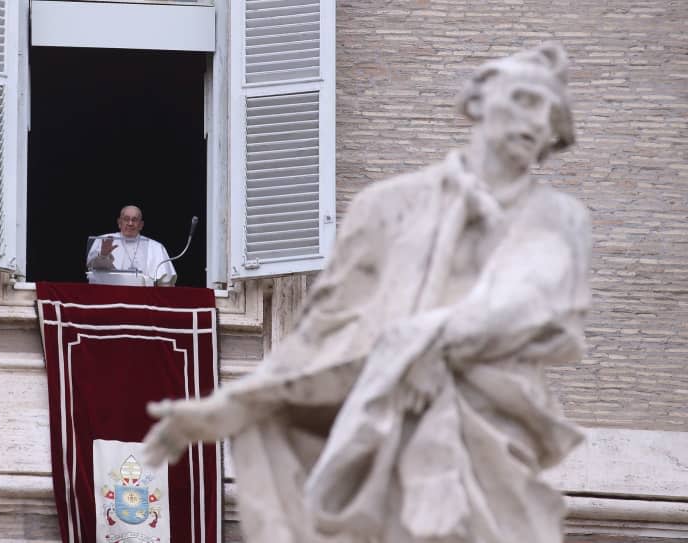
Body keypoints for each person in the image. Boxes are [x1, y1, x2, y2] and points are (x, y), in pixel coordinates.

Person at [144, 42, 590, 543]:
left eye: (552, 112)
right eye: (526, 99)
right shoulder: (387, 207)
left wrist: (425, 343)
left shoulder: (559, 219)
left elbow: (530, 305)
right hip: (381, 433)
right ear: (480, 100)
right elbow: (325, 328)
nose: (539, 120)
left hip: (493, 434)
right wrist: (243, 400)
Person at [86, 205, 177, 286]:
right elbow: (92, 267)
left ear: (141, 225)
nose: (130, 223)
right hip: (108, 295)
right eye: (126, 219)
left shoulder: (155, 247)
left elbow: (166, 283)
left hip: (143, 298)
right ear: (119, 222)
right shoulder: (104, 240)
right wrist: (103, 255)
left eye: (134, 219)